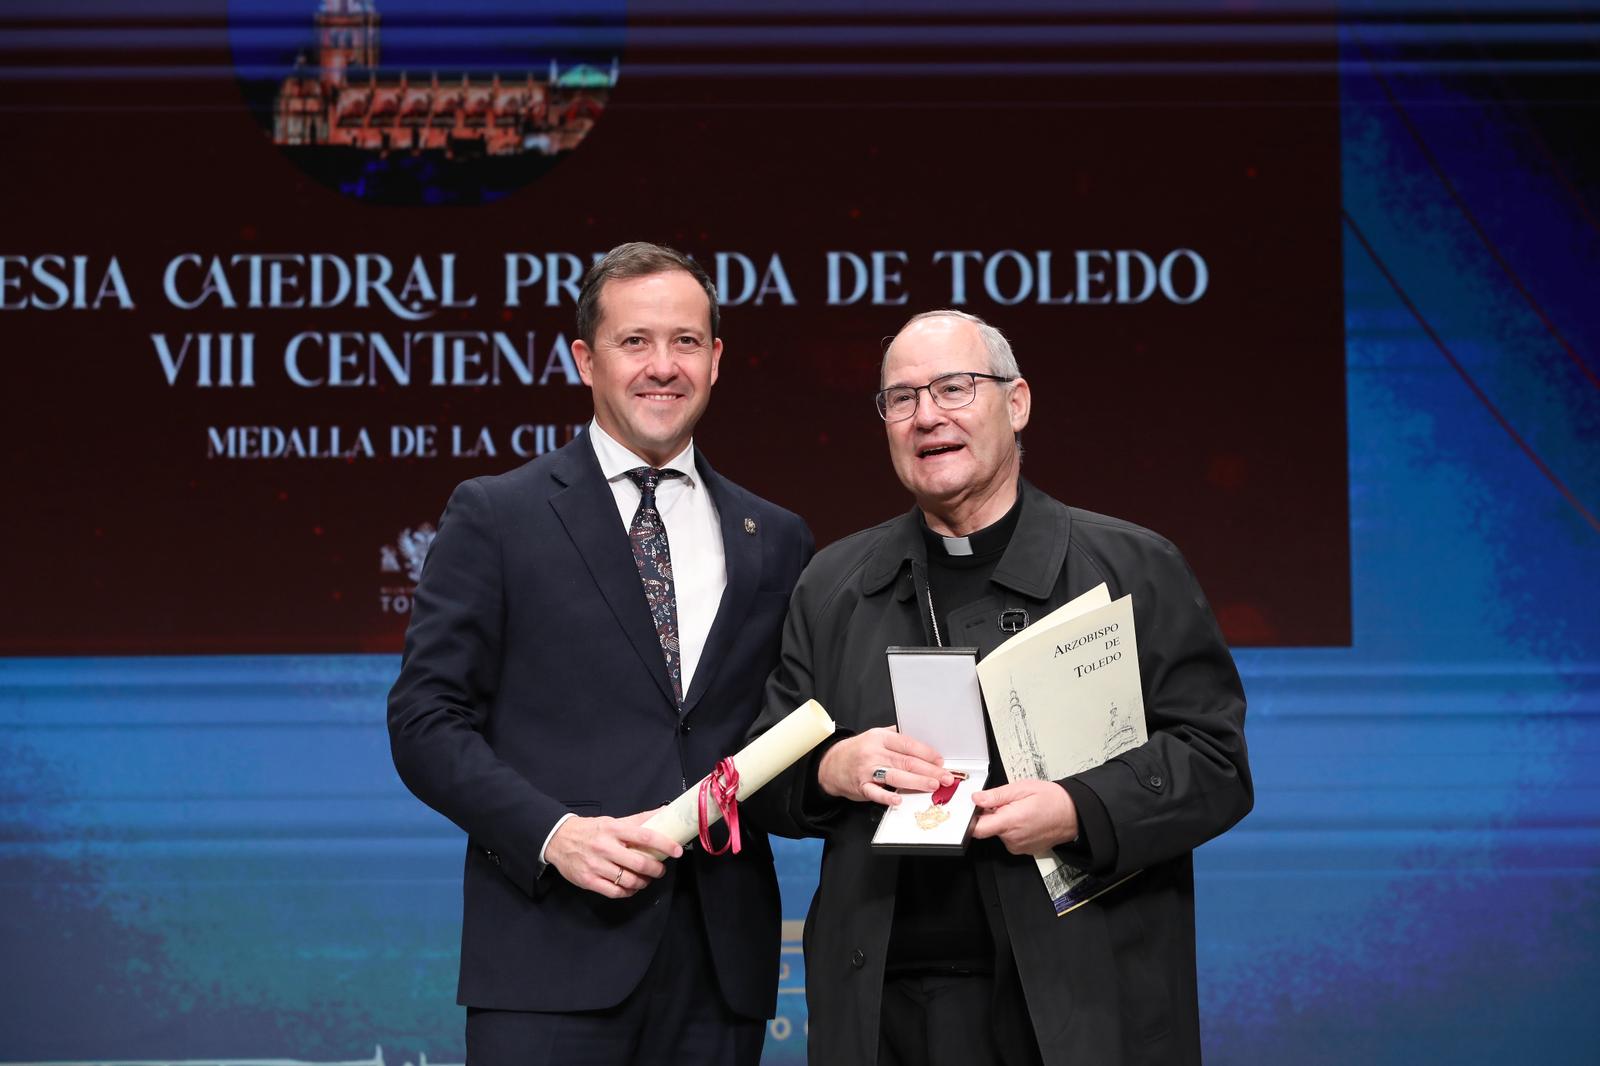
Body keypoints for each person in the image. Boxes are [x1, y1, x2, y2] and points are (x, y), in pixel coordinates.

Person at [746, 309, 1252, 1066]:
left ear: (1016, 404)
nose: (927, 416)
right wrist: (831, 767)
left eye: (954, 388)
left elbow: (1216, 764)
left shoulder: (1133, 568)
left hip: (1073, 1005)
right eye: (901, 398)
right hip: (881, 1009)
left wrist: (1079, 809)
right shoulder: (833, 585)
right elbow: (758, 777)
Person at [389, 242, 813, 1066]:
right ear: (586, 360)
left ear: (716, 360)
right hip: (550, 953)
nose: (663, 366)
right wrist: (553, 834)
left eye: (686, 341)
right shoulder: (497, 516)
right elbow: (424, 722)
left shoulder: (776, 536)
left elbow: (775, 733)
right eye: (635, 342)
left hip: (719, 970)